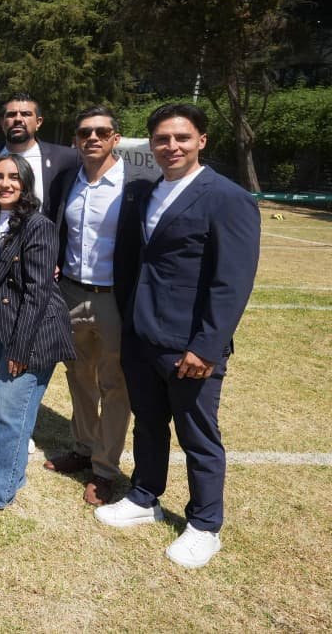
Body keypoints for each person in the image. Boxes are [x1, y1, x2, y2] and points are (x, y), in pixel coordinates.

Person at [97, 103, 260, 569]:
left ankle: (206, 525)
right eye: (163, 139)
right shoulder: (146, 193)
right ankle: (145, 495)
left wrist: (206, 347)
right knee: (149, 423)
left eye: (181, 138)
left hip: (189, 345)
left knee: (198, 436)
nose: (171, 147)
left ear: (201, 141)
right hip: (142, 335)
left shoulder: (227, 198)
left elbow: (232, 282)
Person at [0, 154, 75, 511]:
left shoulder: (37, 225)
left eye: (14, 177)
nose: (5, 183)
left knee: (8, 408)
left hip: (31, 330)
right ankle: (8, 471)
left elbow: (37, 291)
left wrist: (20, 348)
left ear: (26, 183)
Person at [42, 107, 130, 506]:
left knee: (115, 386)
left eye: (101, 132)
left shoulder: (134, 184)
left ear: (116, 137)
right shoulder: (67, 180)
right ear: (76, 139)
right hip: (72, 293)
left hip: (114, 296)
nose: (92, 138)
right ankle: (82, 447)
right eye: (84, 132)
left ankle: (106, 469)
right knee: (78, 375)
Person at [0, 92, 78, 216]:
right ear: (2, 122)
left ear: (38, 122)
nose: (18, 119)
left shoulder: (66, 158)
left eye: (26, 114)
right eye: (11, 114)